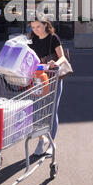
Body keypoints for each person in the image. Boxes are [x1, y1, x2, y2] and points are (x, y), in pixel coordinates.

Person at [29, 17, 67, 156]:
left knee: (52, 111)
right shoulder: (32, 40)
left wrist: (55, 64)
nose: (35, 30)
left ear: (45, 25)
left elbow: (62, 57)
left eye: (38, 26)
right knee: (37, 111)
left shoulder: (53, 38)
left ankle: (52, 142)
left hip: (53, 78)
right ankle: (41, 139)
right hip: (38, 79)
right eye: (33, 27)